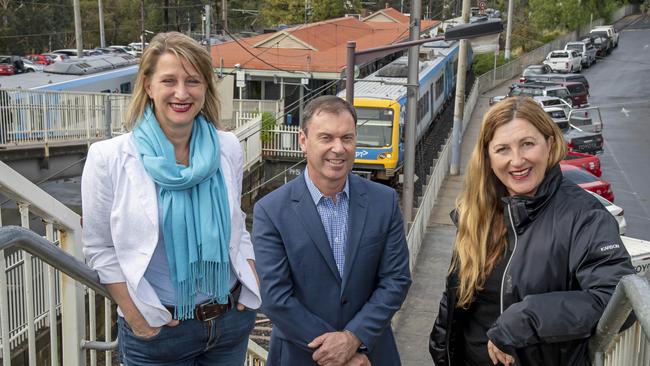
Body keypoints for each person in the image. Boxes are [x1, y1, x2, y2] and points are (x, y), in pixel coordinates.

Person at [81, 32, 261, 366]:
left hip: (229, 321)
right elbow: (100, 249)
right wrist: (136, 317)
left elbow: (237, 224)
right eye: (169, 80)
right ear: (148, 86)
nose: (182, 93)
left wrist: (250, 279)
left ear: (205, 88)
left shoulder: (228, 148)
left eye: (193, 80)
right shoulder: (109, 158)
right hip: (158, 330)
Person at [428, 96, 634, 366]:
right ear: (488, 157)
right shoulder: (477, 212)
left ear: (549, 145)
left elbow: (618, 299)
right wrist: (441, 350)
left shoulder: (584, 216)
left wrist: (528, 318)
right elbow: (457, 297)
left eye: (527, 144)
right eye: (502, 149)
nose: (517, 160)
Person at [252, 95, 411, 366]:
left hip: (370, 354)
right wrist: (338, 352)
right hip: (300, 356)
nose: (338, 148)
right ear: (303, 140)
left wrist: (353, 338)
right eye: (326, 138)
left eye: (347, 138)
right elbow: (276, 297)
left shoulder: (383, 202)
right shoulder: (271, 210)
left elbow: (396, 280)